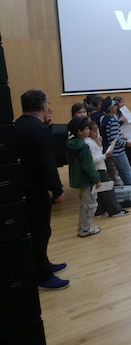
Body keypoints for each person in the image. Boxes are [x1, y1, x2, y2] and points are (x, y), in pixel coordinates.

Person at [15, 89, 68, 290]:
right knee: (41, 232)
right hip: (36, 190)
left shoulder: (17, 125)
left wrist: (47, 127)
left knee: (33, 232)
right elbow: (47, 162)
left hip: (22, 188)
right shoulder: (40, 130)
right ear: (44, 106)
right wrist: (57, 189)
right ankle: (43, 276)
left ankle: (42, 265)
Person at [101, 96, 131, 195]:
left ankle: (129, 189)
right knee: (127, 171)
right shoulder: (112, 120)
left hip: (112, 151)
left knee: (122, 172)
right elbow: (115, 139)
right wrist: (126, 143)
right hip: (118, 151)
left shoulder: (104, 118)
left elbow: (113, 135)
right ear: (111, 108)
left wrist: (121, 136)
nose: (116, 107)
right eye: (115, 106)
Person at [66, 117, 102, 237]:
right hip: (86, 180)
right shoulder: (84, 146)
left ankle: (83, 227)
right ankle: (85, 230)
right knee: (89, 205)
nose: (89, 130)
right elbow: (89, 166)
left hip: (77, 179)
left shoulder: (70, 143)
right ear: (79, 132)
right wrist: (96, 179)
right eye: (86, 129)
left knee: (84, 204)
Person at [86, 121, 129, 217]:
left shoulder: (92, 142)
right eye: (94, 131)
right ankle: (115, 211)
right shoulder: (89, 143)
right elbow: (93, 159)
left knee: (100, 191)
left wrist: (99, 145)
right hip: (99, 169)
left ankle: (100, 211)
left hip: (99, 168)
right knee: (108, 189)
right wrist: (105, 156)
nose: (97, 133)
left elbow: (98, 152)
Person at [113, 96, 131, 169]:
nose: (123, 104)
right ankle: (127, 165)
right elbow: (115, 124)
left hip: (128, 131)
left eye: (123, 102)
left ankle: (130, 163)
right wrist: (122, 122)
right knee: (125, 150)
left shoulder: (126, 111)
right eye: (121, 102)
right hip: (122, 133)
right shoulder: (115, 113)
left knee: (130, 149)